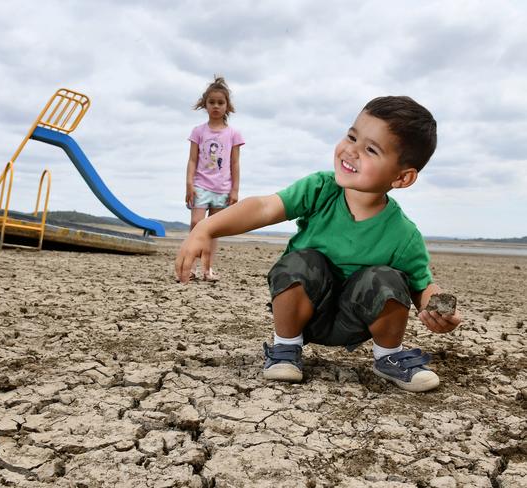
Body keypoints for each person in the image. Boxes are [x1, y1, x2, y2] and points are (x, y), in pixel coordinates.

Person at [175, 96, 462, 392]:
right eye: (352, 136)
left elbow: (420, 285)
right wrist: (206, 228)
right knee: (302, 261)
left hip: (356, 322)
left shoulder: (403, 234)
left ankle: (388, 357)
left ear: (402, 177)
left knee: (386, 278)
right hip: (304, 313)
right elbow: (264, 207)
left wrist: (439, 312)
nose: (351, 151)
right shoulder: (321, 189)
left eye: (370, 149)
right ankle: (285, 348)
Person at [185, 76, 244, 281]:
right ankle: (189, 267)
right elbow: (192, 160)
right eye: (212, 102)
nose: (216, 106)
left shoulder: (233, 134)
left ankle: (207, 269)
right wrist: (189, 184)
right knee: (196, 223)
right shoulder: (198, 131)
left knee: (214, 231)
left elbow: (235, 164)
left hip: (222, 188)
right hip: (201, 185)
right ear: (205, 104)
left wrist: (235, 190)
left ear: (227, 106)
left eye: (220, 102)